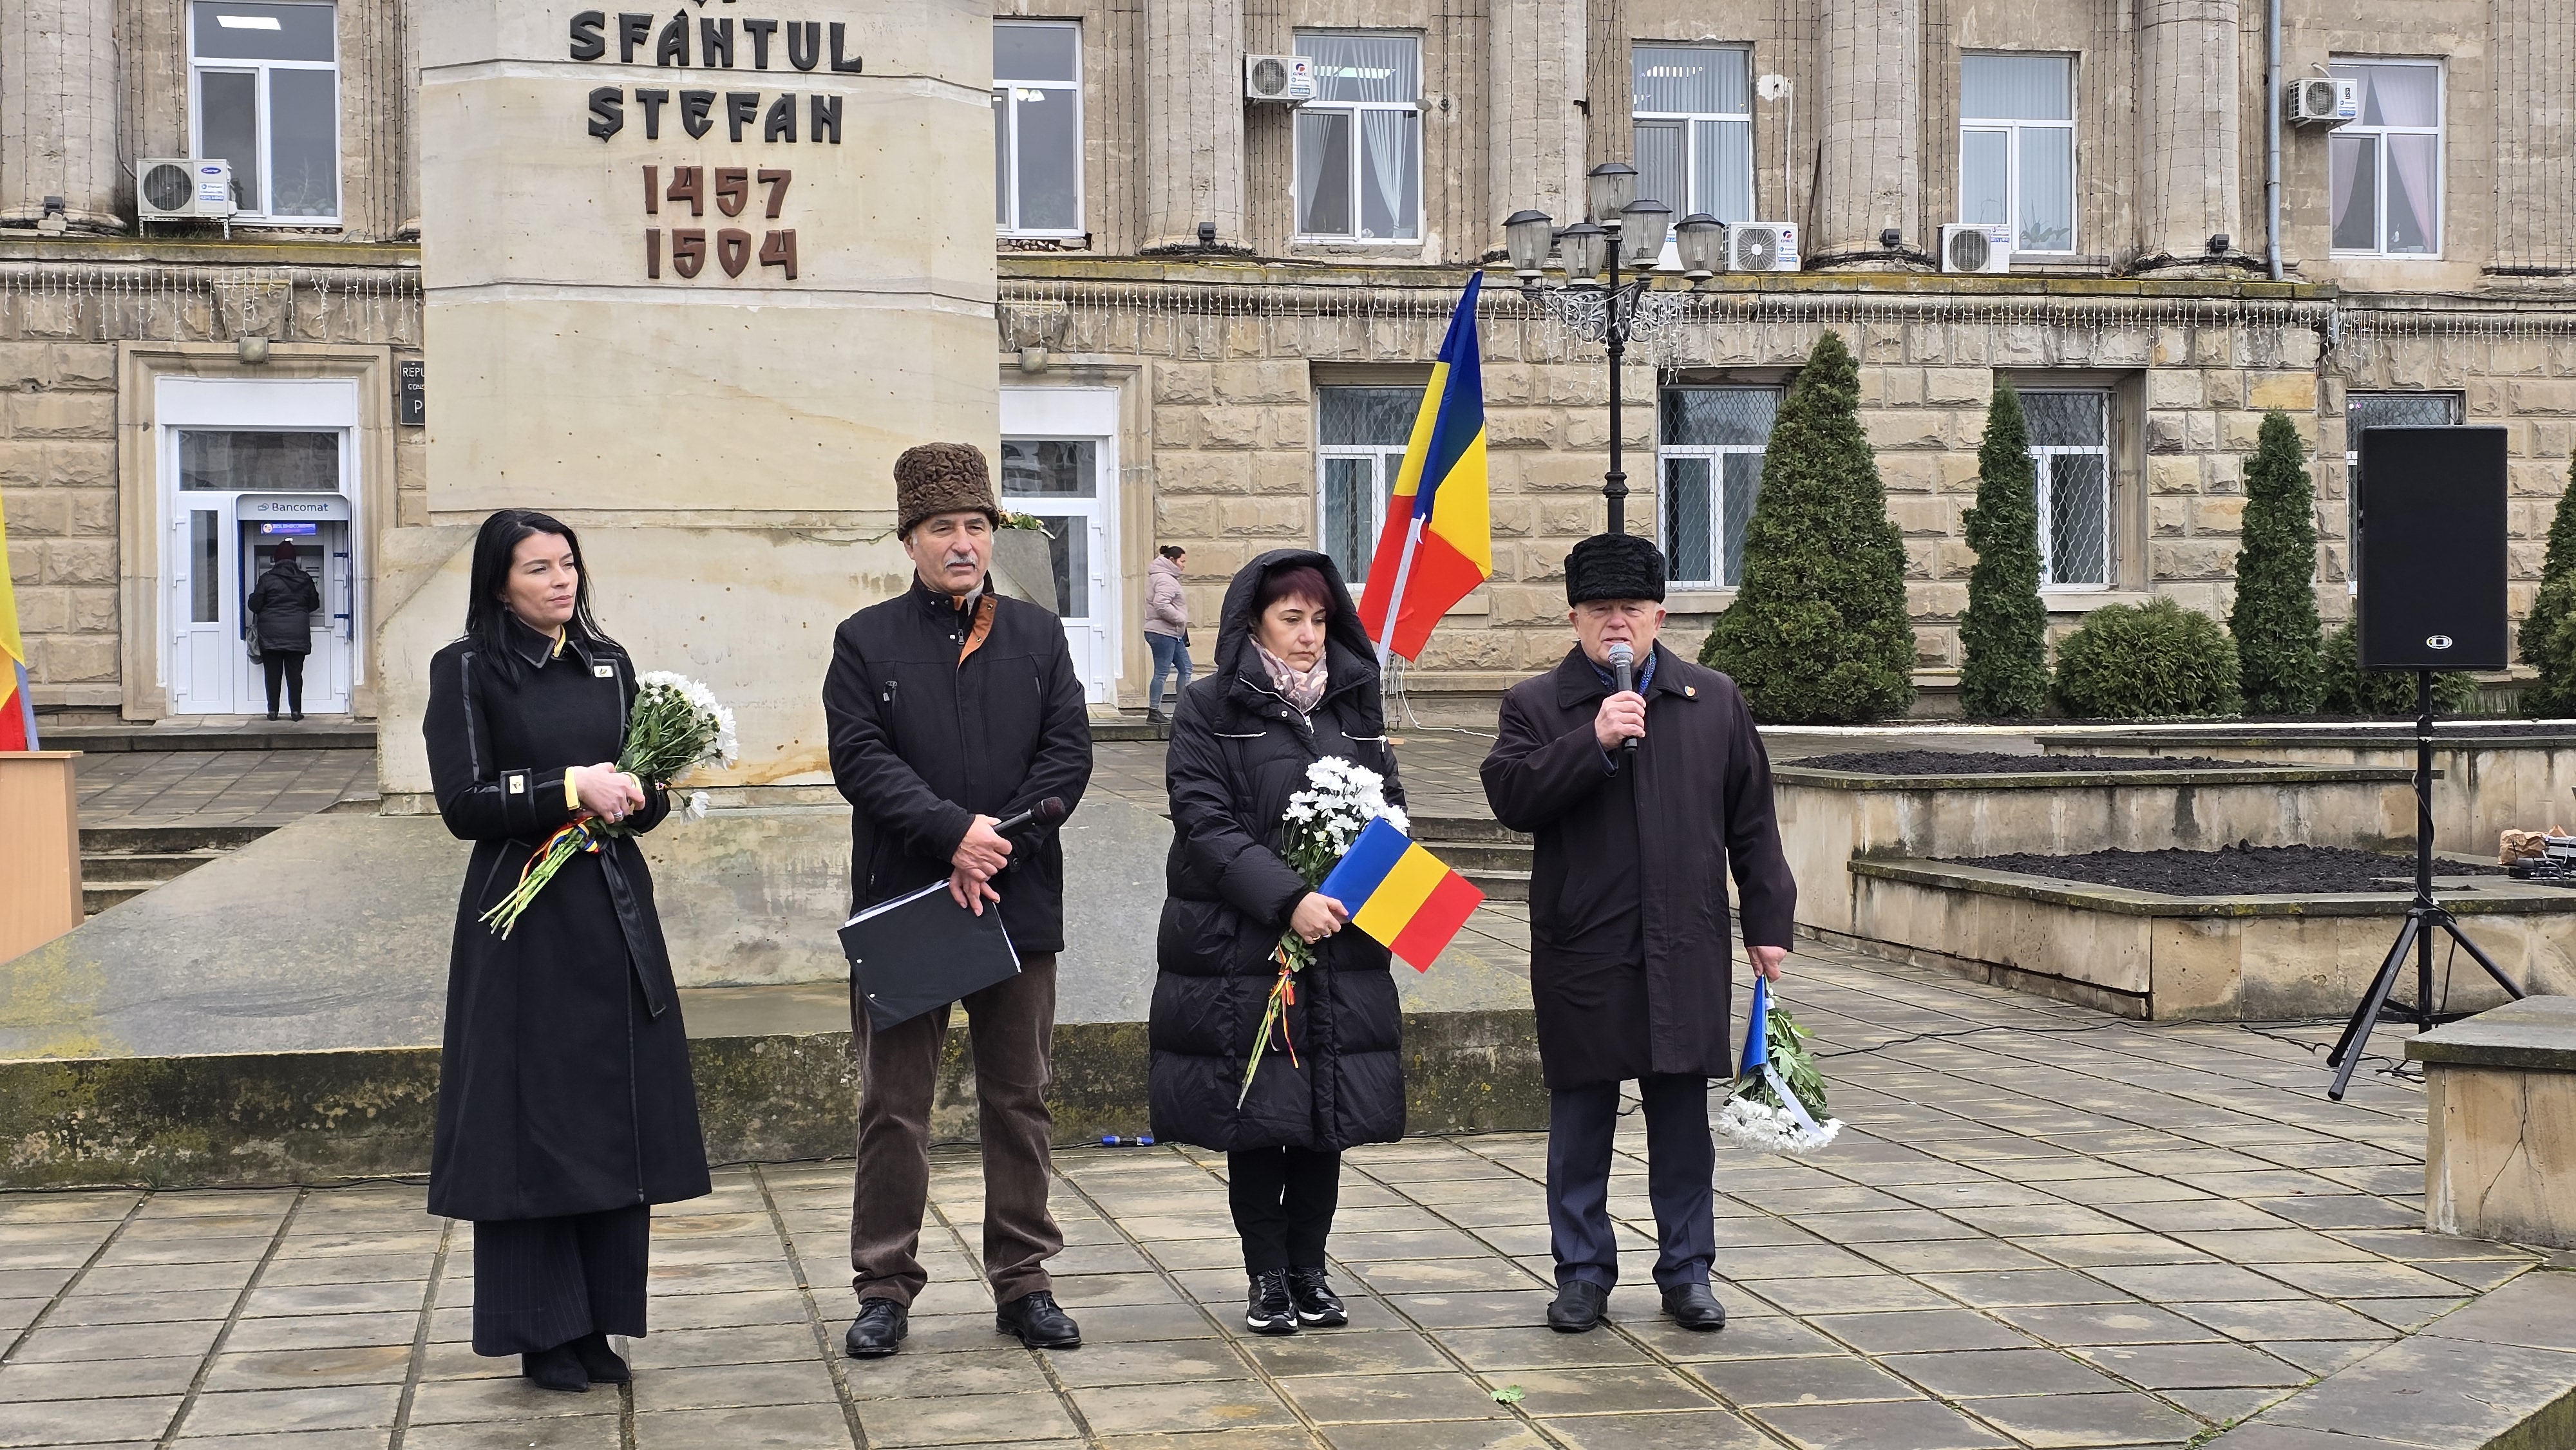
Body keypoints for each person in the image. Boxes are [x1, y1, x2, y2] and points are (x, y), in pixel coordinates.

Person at [423, 509, 712, 1393]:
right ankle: (540, 1330)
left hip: (610, 912)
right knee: (532, 1123)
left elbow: (643, 791)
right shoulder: (467, 667)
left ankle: (597, 1324)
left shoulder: (607, 661)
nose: (561, 581)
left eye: (568, 564)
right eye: (539, 568)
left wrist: (640, 792)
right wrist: (567, 787)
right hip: (522, 920)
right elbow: (464, 801)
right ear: (499, 582)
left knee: (611, 1118)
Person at [1479, 531, 1795, 1335]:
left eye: (1629, 608)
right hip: (1582, 945)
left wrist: (1768, 920)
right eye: (1598, 610)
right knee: (1579, 1123)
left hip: (1684, 942)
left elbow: (1752, 821)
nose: (1614, 624)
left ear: (1659, 615)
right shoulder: (1536, 705)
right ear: (1574, 619)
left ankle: (1688, 1271)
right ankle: (1581, 1273)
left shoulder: (1712, 699)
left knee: (1681, 1123)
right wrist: (1592, 739)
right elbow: (1511, 796)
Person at [823, 442, 1094, 1359]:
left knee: (1020, 1099)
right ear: (910, 540)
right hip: (908, 905)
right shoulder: (865, 640)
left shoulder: (1038, 635)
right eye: (943, 527)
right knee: (893, 1107)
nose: (964, 543)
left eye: (977, 525)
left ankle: (1025, 1281)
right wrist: (952, 837)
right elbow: (861, 760)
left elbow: (1067, 755)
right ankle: (884, 1286)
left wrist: (994, 845)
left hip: (1017, 898)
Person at [1150, 549, 1405, 1336]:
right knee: (1259, 1115)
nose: (1308, 635)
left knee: (1325, 1114)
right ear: (1253, 622)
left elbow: (1390, 809)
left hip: (1341, 944)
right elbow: (1204, 820)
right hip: (1242, 945)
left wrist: (1360, 883)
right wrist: (1290, 899)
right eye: (1291, 618)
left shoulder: (1352, 705)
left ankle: (1310, 1270)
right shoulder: (1209, 706)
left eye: (1320, 619)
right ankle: (1266, 1276)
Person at [245, 539, 321, 720]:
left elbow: (254, 605)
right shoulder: (305, 579)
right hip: (297, 635)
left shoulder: (266, 579)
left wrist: (253, 598)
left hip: (271, 636)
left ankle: (273, 711)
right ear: (294, 559)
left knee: (273, 674)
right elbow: (314, 604)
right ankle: (296, 711)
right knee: (295, 675)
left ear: (276, 559)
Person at [1144, 545, 1191, 724]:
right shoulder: (1165, 578)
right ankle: (1154, 711)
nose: (1184, 565)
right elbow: (1161, 604)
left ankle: (1184, 710)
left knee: (1186, 667)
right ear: (1172, 560)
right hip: (1162, 632)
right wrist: (1181, 618)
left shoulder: (1164, 576)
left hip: (1170, 632)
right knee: (1162, 672)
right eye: (1182, 561)